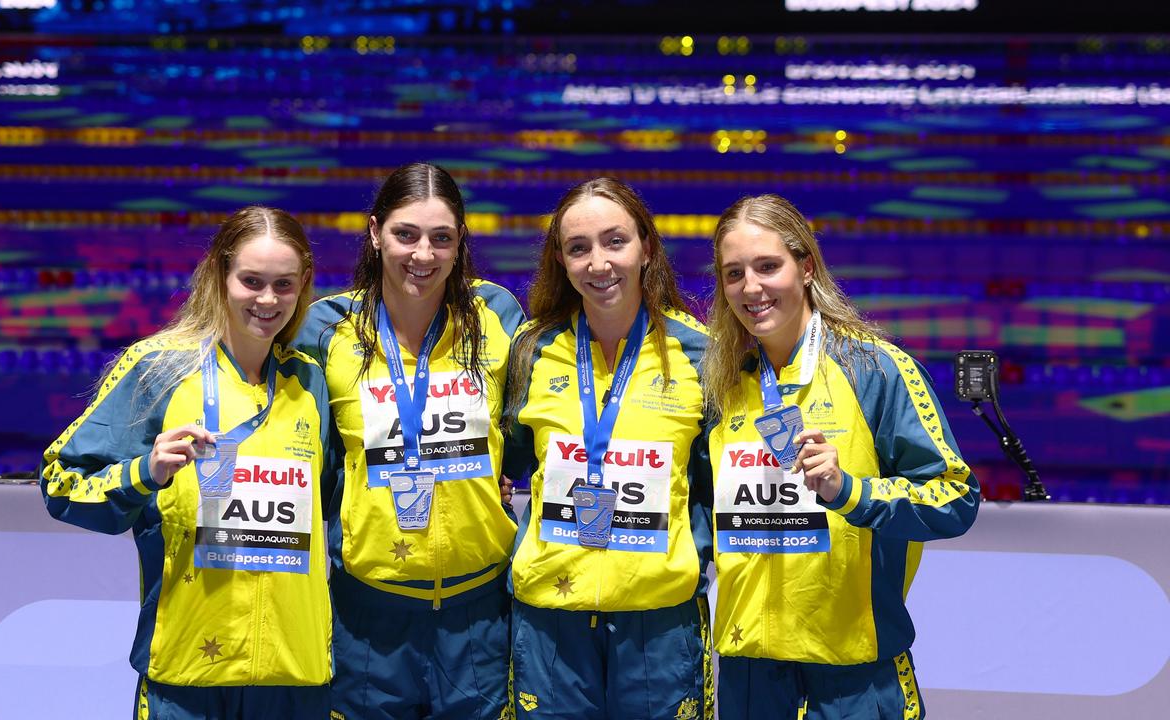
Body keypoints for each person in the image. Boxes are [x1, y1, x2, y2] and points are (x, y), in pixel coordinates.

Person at [40, 206, 336, 719]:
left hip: (296, 675)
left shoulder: (310, 382)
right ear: (219, 275)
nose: (268, 300)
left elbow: (338, 502)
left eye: (284, 284)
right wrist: (143, 473)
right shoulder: (160, 368)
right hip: (186, 671)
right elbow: (61, 484)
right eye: (251, 281)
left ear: (303, 284)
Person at [700, 194, 980, 719]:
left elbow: (956, 497)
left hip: (853, 670)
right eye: (733, 273)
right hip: (749, 669)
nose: (751, 287)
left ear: (805, 267)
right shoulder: (721, 381)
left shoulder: (874, 368)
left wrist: (850, 491)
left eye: (767, 266)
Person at [295, 162, 524, 720]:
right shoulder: (326, 328)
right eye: (406, 234)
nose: (423, 254)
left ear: (459, 242)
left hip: (480, 613)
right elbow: (310, 457)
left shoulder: (496, 314)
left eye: (441, 238)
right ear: (375, 233)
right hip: (369, 614)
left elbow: (523, 436)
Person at [502, 177, 713, 720]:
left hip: (660, 623)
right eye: (579, 248)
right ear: (562, 260)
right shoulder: (535, 349)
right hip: (551, 618)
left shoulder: (702, 354)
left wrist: (692, 560)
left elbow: (718, 482)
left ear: (646, 245)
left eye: (614, 241)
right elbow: (509, 463)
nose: (598, 263)